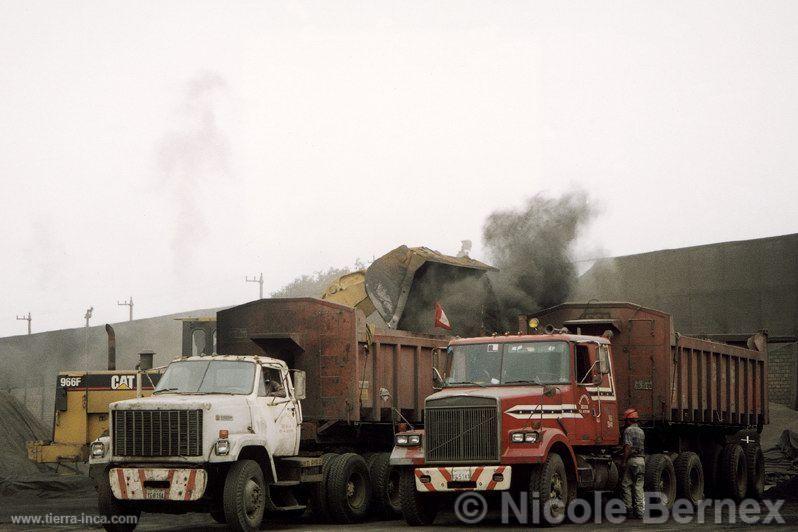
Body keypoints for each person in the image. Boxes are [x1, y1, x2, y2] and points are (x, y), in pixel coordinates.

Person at [620, 408, 645, 518]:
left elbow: (628, 447)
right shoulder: (641, 431)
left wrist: (624, 461)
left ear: (629, 420)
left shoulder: (628, 431)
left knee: (626, 484)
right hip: (641, 461)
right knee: (639, 486)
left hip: (632, 460)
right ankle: (640, 512)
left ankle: (629, 510)